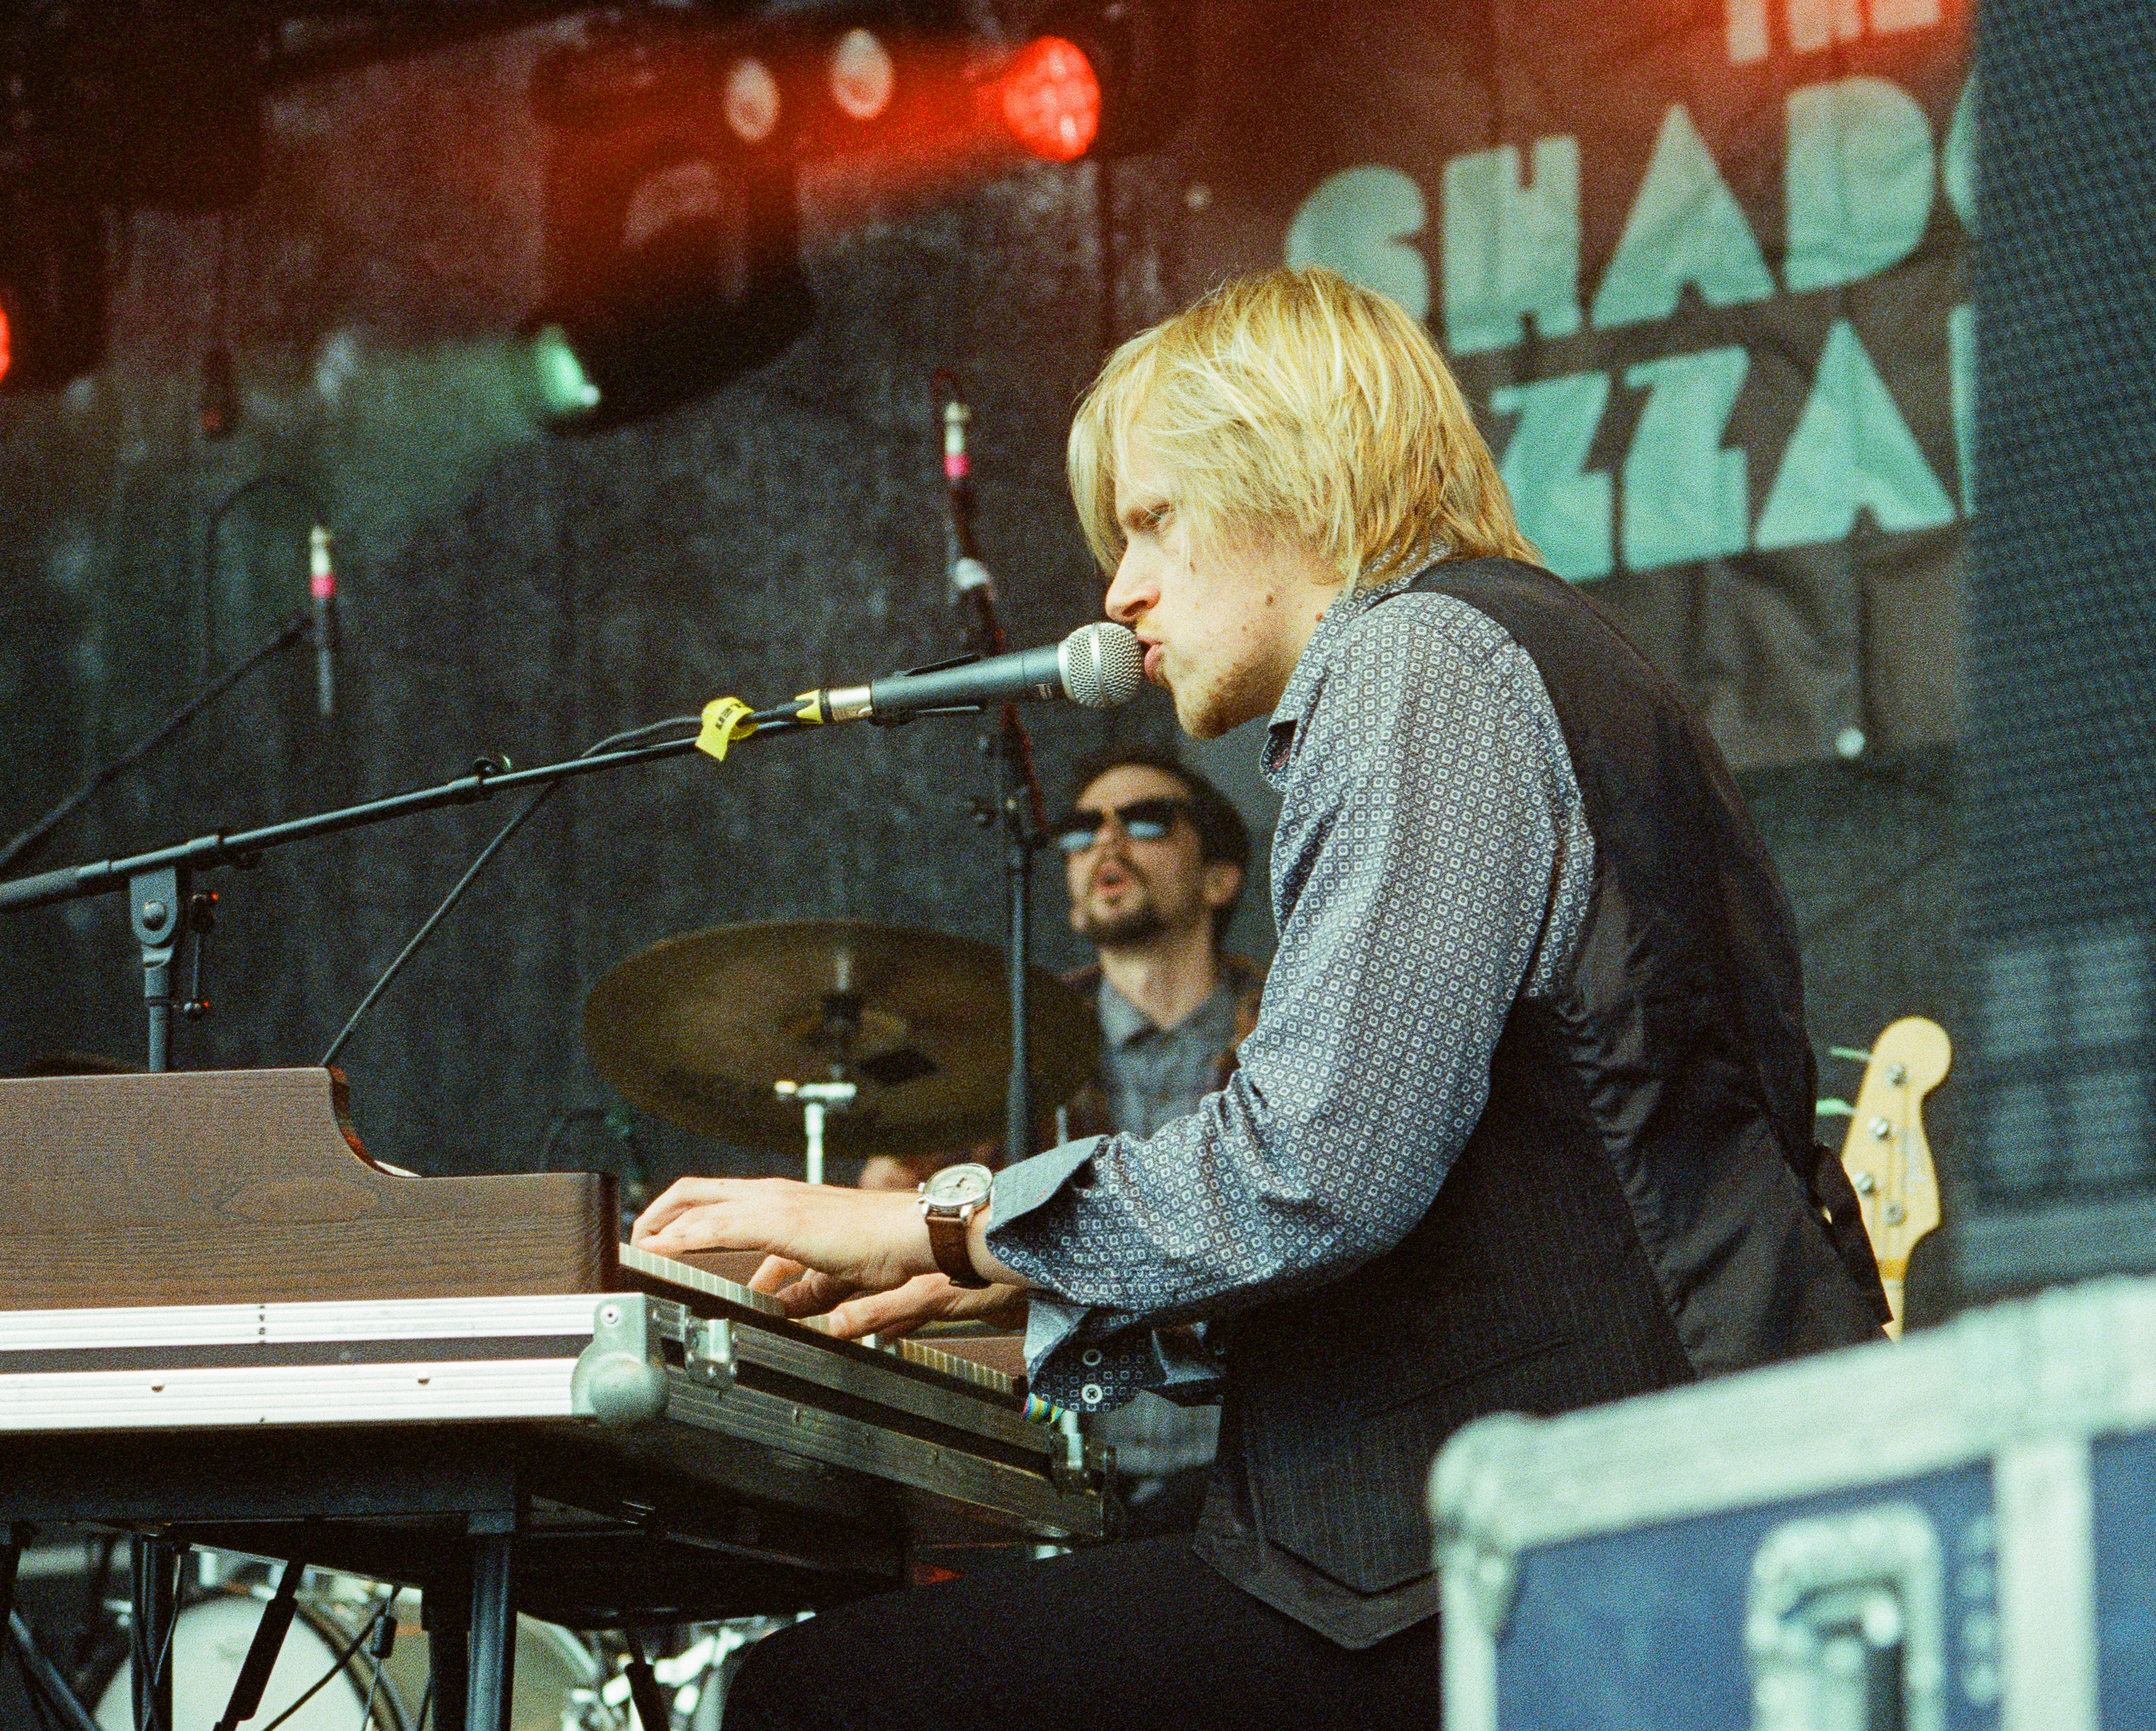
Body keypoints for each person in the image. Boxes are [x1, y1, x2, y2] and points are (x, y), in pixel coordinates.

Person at [632, 265, 1889, 1730]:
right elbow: (1456, 1217)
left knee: (805, 1699)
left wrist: (931, 1217)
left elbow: (1318, 1170)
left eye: (1152, 521)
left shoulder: (1412, 659)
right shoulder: (1529, 659)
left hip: (1571, 1555)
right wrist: (1010, 1265)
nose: (1117, 590)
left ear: (1292, 470)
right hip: (1645, 1503)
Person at [861, 748, 1260, 1532]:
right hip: (1059, 1463)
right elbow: (893, 1192)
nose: (1105, 845)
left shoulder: (1287, 1029)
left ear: (1219, 878)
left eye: (1146, 821)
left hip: (1250, 1465)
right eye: (1081, 831)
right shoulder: (1015, 1043)